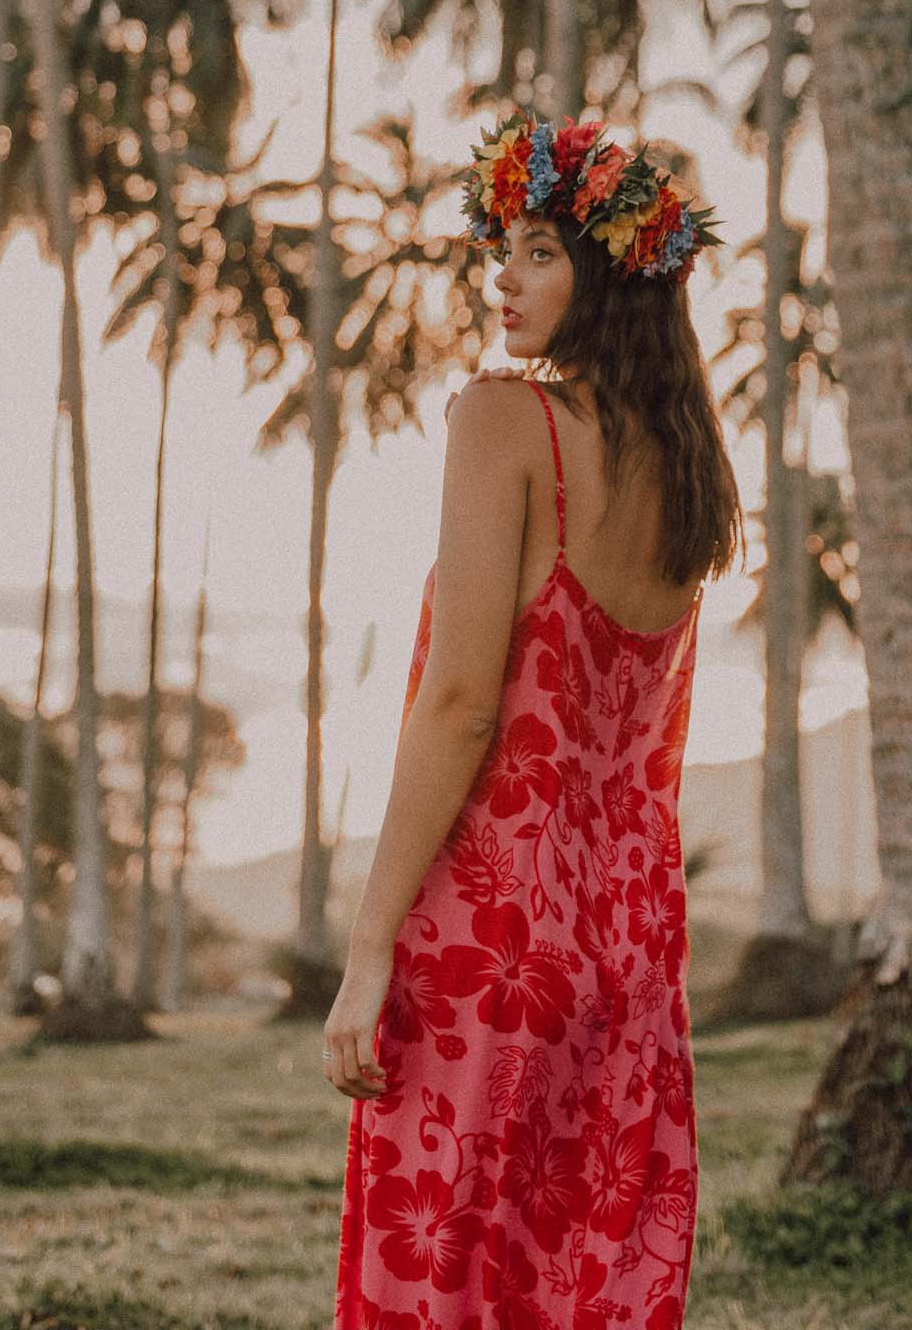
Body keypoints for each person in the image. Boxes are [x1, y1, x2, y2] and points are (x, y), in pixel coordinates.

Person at [325, 107, 743, 1329]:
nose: (503, 275)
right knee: (583, 1285)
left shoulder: (505, 421)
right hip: (627, 954)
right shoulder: (693, 473)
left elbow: (459, 707)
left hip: (491, 934)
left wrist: (368, 952)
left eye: (543, 249)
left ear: (615, 274)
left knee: (447, 1284)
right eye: (500, 244)